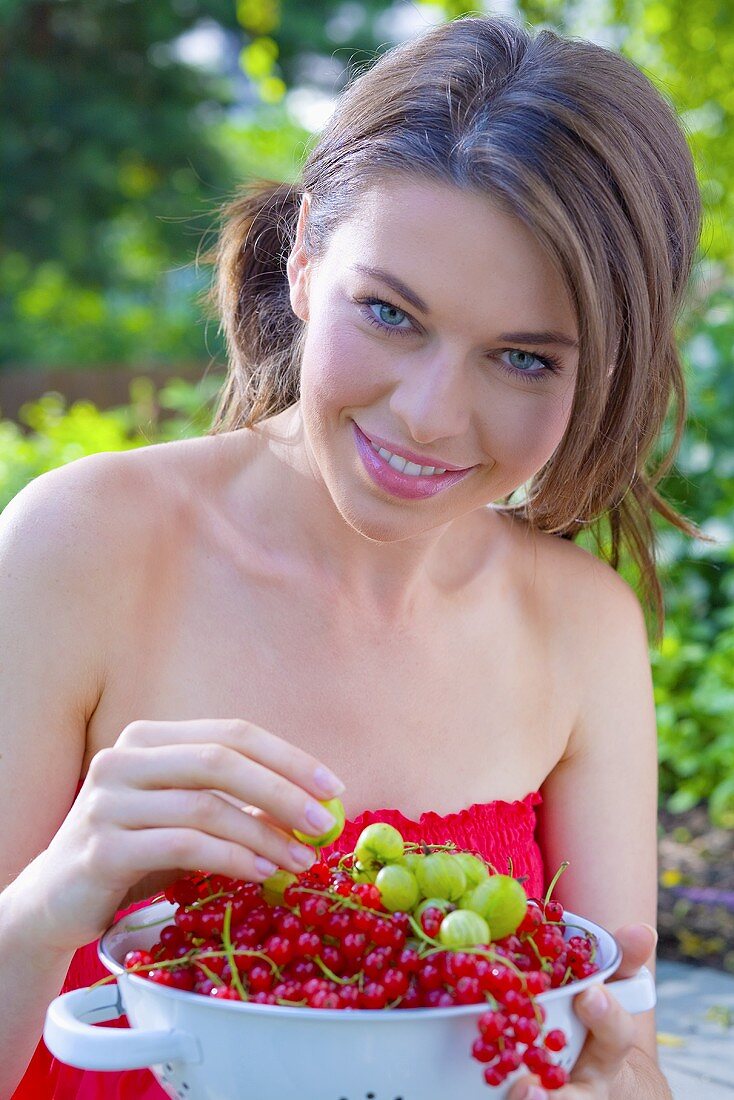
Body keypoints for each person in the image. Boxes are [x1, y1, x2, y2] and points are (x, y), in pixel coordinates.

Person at [0, 12, 702, 1099]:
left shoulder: (580, 625)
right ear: (304, 262)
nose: (428, 415)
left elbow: (623, 1060)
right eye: (388, 312)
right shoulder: (79, 545)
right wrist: (54, 898)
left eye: (520, 357)